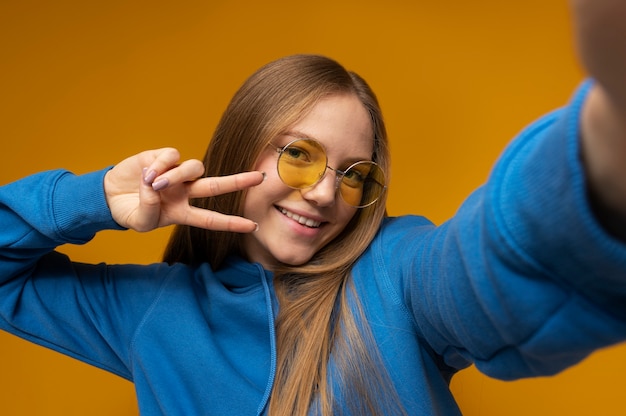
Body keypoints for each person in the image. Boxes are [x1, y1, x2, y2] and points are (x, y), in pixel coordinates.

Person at [1, 0, 626, 414]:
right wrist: (97, 198)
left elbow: (483, 271)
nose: (327, 194)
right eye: (299, 155)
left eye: (356, 175)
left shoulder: (395, 276)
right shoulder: (152, 314)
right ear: (241, 148)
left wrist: (601, 138)